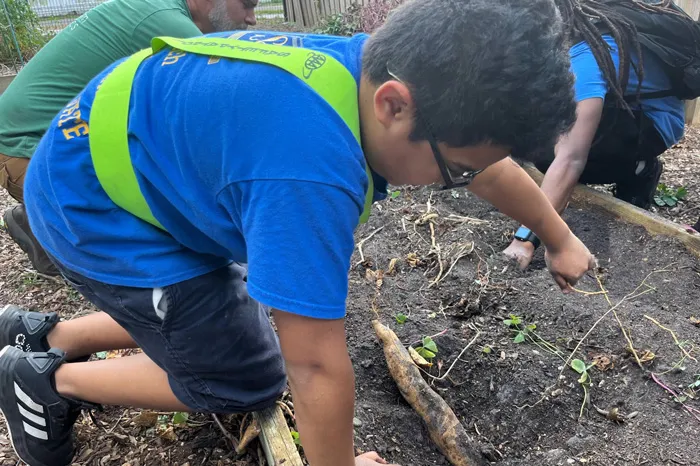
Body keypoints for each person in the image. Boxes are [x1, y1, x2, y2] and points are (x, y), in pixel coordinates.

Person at [0, 0, 596, 465]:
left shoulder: (365, 67)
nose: (459, 181)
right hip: (96, 211)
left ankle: (49, 334)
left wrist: (559, 237)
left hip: (136, 162)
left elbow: (489, 168)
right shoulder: (312, 173)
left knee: (225, 304)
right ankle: (48, 380)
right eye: (454, 172)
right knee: (249, 376)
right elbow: (312, 367)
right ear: (395, 104)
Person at [0, 0, 258, 275]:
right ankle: (50, 217)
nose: (252, 18)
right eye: (247, 4)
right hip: (25, 150)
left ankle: (40, 220)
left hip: (33, 141)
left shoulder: (154, 9)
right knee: (155, 249)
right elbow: (233, 105)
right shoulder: (167, 24)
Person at [503, 0, 692, 269]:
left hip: (655, 122)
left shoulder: (586, 58)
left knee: (548, 156)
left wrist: (525, 240)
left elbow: (571, 159)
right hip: (622, 106)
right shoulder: (569, 42)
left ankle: (640, 170)